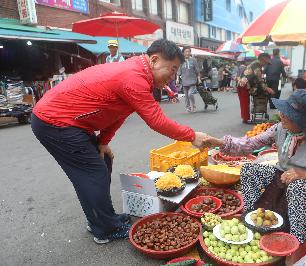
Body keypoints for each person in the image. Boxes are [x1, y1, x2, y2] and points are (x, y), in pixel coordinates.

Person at [31, 39, 208, 244]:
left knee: (102, 162)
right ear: (155, 59)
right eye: (173, 68)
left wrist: (103, 141)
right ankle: (104, 229)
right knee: (92, 173)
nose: (173, 75)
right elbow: (157, 121)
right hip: (55, 121)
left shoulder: (139, 74)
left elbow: (119, 113)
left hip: (71, 123)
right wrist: (192, 136)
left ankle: (103, 219)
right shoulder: (133, 77)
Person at [203, 89, 306, 243]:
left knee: (298, 187)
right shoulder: (280, 129)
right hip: (281, 174)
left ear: (303, 121)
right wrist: (219, 142)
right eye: (284, 111)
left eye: (288, 114)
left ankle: (296, 240)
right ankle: (253, 218)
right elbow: (250, 144)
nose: (281, 115)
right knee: (250, 169)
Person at [237, 53, 273, 123]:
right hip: (244, 85)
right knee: (245, 102)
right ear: (262, 60)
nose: (265, 64)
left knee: (244, 102)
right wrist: (267, 88)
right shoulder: (257, 66)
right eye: (265, 63)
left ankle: (245, 118)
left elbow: (256, 79)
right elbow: (260, 80)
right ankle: (245, 119)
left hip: (242, 84)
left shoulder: (255, 64)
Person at [176, 46, 201, 112]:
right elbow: (179, 70)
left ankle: (193, 105)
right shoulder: (181, 61)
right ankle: (188, 107)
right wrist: (177, 79)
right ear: (183, 53)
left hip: (193, 80)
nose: (187, 53)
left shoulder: (193, 60)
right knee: (186, 96)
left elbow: (197, 70)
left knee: (190, 94)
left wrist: (199, 78)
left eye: (188, 51)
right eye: (186, 51)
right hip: (184, 80)